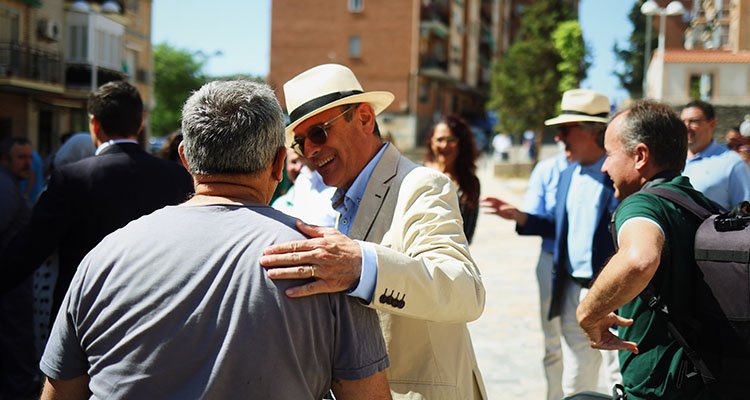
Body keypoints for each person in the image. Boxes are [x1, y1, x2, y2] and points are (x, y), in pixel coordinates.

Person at [38, 80, 391, 399]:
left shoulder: (104, 257)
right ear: (278, 163)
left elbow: (60, 392)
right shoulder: (326, 264)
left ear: (186, 160)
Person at [259, 64, 486, 399]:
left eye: (319, 133)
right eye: (300, 142)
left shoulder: (421, 185)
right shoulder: (340, 200)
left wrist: (362, 265)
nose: (310, 151)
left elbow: (465, 291)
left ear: (364, 118)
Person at [0, 81, 194, 325]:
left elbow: (30, 248)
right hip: (157, 316)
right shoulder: (176, 177)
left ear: (94, 124)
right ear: (140, 123)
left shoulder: (72, 178)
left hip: (86, 316)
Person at [576, 99, 720, 399]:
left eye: (609, 154)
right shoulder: (702, 206)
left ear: (640, 156)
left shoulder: (642, 203)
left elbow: (639, 259)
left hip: (657, 390)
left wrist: (589, 312)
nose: (604, 166)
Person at [482, 89, 620, 396]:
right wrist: (520, 217)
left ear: (592, 132)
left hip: (611, 289)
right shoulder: (570, 174)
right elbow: (561, 227)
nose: (558, 138)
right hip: (570, 287)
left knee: (617, 367)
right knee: (577, 366)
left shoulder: (620, 177)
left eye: (564, 130)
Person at [0, 137, 38, 400]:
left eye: (29, 157)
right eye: (20, 158)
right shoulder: (4, 187)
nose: (28, 163)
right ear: (5, 160)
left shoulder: (12, 185)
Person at [680, 100, 750, 210]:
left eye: (693, 121)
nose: (686, 126)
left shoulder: (732, 163)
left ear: (712, 123)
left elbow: (745, 215)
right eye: (682, 121)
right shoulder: (670, 160)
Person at [424, 114, 481, 243]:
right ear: (431, 142)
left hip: (452, 256)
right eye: (439, 139)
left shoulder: (470, 183)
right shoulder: (416, 174)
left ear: (461, 143)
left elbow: (468, 233)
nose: (444, 145)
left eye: (451, 140)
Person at [272, 147, 338, 227]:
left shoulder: (333, 199)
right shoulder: (279, 206)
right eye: (294, 162)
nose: (299, 168)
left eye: (304, 162)